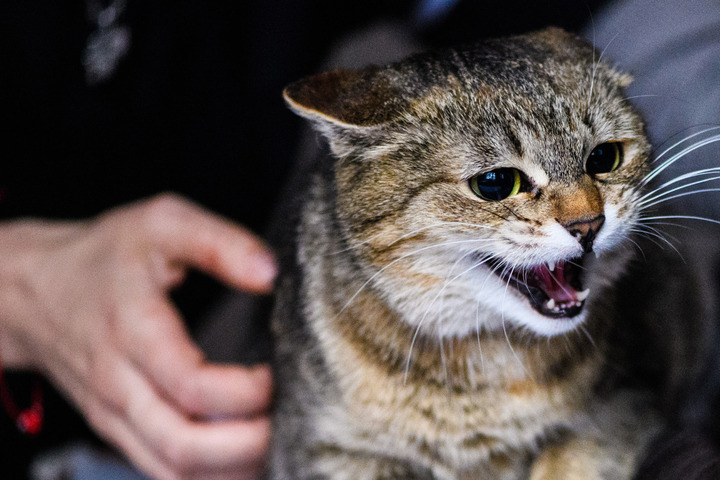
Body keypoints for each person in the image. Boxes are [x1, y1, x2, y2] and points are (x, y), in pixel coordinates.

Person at [2, 0, 719, 479]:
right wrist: (22, 285)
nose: (581, 213)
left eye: (602, 172)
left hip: (496, 42)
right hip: (139, 330)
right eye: (501, 187)